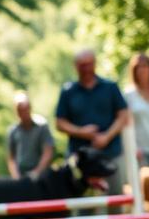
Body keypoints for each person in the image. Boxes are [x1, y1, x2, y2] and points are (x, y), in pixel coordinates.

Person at [55, 48, 130, 198]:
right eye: (82, 65)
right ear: (75, 66)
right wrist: (81, 132)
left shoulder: (110, 87)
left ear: (95, 64)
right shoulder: (68, 91)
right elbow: (59, 122)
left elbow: (123, 116)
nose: (87, 69)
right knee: (82, 203)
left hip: (110, 154)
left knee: (115, 199)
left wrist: (106, 137)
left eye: (89, 64)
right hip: (80, 158)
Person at [6, 91, 54, 179]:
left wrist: (36, 172)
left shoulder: (42, 126)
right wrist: (16, 176)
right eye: (20, 110)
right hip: (21, 176)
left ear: (30, 108)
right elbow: (11, 158)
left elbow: (48, 152)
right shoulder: (13, 131)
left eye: (25, 109)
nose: (23, 113)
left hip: (41, 176)